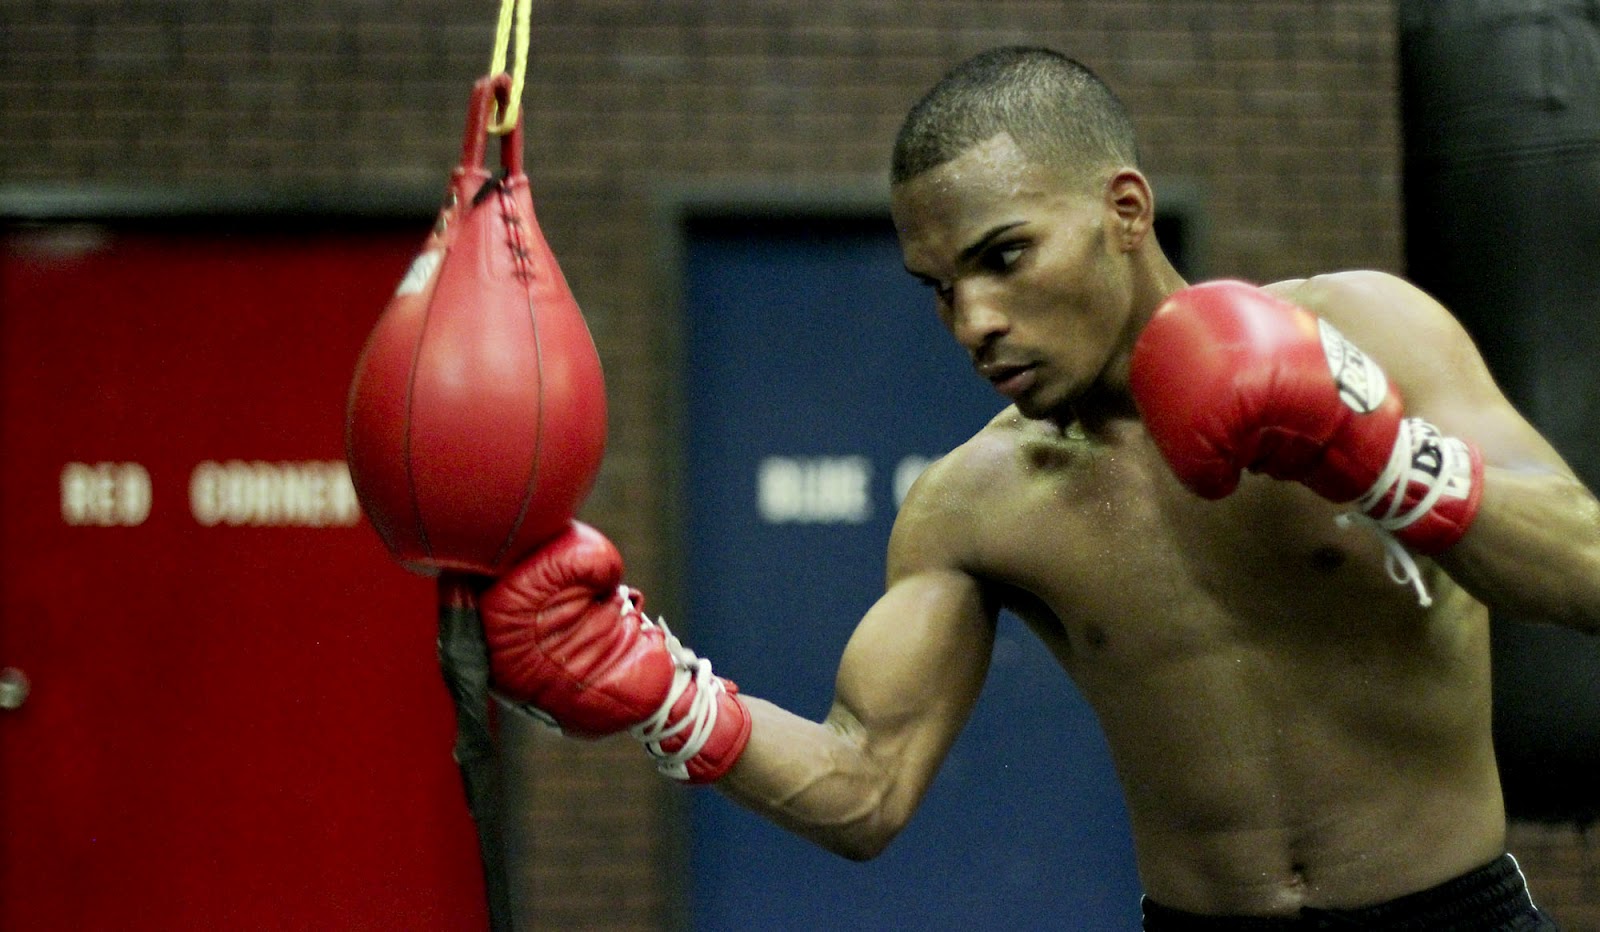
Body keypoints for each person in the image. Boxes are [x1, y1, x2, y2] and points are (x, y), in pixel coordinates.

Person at [476, 46, 1600, 928]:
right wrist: (650, 688)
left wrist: (1382, 455)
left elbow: (1584, 567)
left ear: (1124, 208)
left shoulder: (1365, 328)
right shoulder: (975, 504)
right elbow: (864, 786)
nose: (972, 321)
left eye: (1004, 256)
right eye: (939, 285)